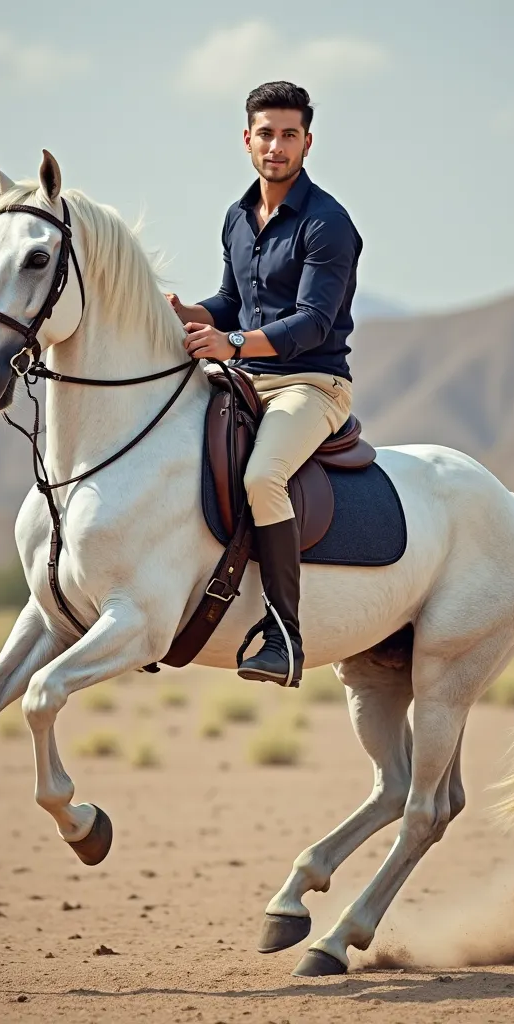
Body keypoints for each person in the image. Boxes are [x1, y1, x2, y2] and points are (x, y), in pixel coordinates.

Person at [167, 80, 362, 687]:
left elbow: (310, 324)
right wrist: (183, 313)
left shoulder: (329, 224)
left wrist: (228, 345)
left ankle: (283, 635)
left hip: (312, 383)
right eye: (266, 134)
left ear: (307, 142)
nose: (276, 146)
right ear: (246, 139)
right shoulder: (237, 216)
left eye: (289, 135)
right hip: (246, 376)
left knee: (262, 476)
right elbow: (231, 302)